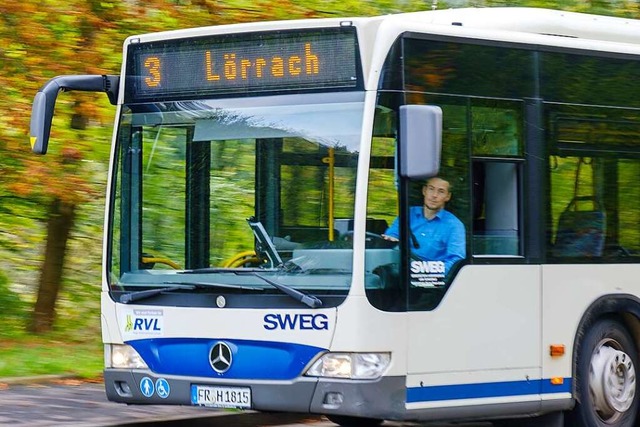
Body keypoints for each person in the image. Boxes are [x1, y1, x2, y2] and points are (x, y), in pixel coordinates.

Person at [382, 176, 466, 274]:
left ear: (448, 196)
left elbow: (455, 261)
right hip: (401, 274)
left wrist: (428, 275)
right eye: (431, 189)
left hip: (431, 281)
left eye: (441, 191)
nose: (434, 195)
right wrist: (389, 240)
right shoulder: (407, 214)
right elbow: (391, 238)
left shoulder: (454, 226)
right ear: (424, 191)